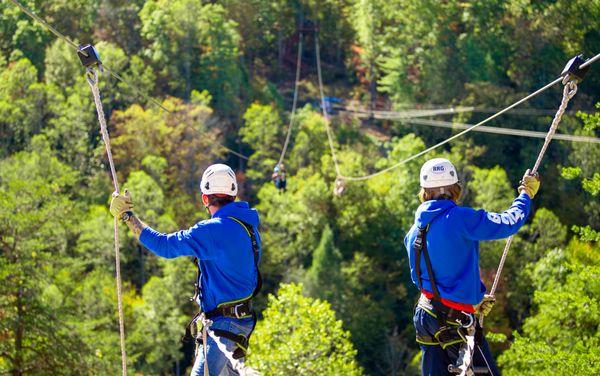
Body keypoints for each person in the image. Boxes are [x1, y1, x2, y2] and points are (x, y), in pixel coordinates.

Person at [110, 163, 262, 376]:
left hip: (224, 326)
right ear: (234, 195)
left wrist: (127, 216)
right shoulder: (249, 228)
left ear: (205, 199)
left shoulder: (212, 231)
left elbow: (164, 245)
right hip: (240, 323)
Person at [404, 158, 540, 376]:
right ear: (455, 189)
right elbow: (509, 222)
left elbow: (418, 279)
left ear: (424, 192)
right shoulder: (460, 218)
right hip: (455, 322)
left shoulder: (414, 232)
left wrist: (471, 300)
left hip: (425, 315)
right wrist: (526, 195)